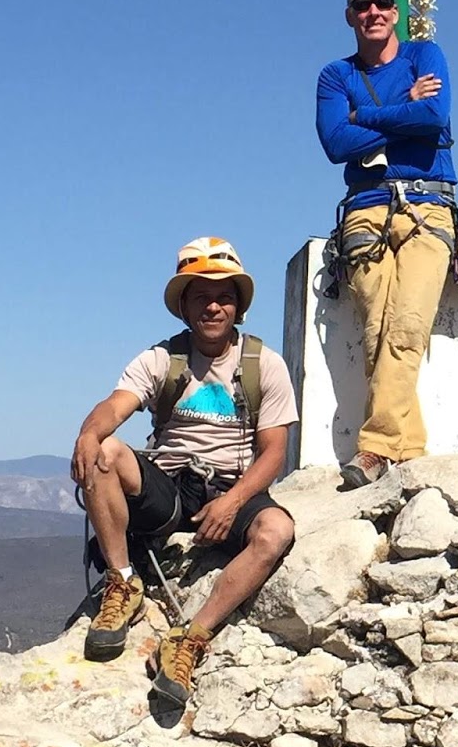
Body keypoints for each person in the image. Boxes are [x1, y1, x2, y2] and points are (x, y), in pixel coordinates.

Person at [70, 237, 298, 706]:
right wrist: (88, 435)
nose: (213, 306)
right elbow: (116, 407)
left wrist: (234, 501)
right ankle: (122, 581)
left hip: (232, 486)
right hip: (171, 483)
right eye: (201, 296)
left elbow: (274, 451)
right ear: (184, 305)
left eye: (224, 296)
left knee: (275, 531)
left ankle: (189, 639)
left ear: (238, 305)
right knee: (105, 451)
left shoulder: (264, 365)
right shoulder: (162, 360)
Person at [316, 0, 457, 486]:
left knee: (408, 324)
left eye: (382, 3)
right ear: (350, 15)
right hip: (366, 209)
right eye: (362, 6)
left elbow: (434, 119)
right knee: (377, 329)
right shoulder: (336, 76)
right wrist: (403, 111)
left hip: (427, 205)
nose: (373, 12)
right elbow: (335, 143)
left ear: (395, 11)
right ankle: (411, 452)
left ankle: (374, 448)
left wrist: (367, 116)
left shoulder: (426, 56)